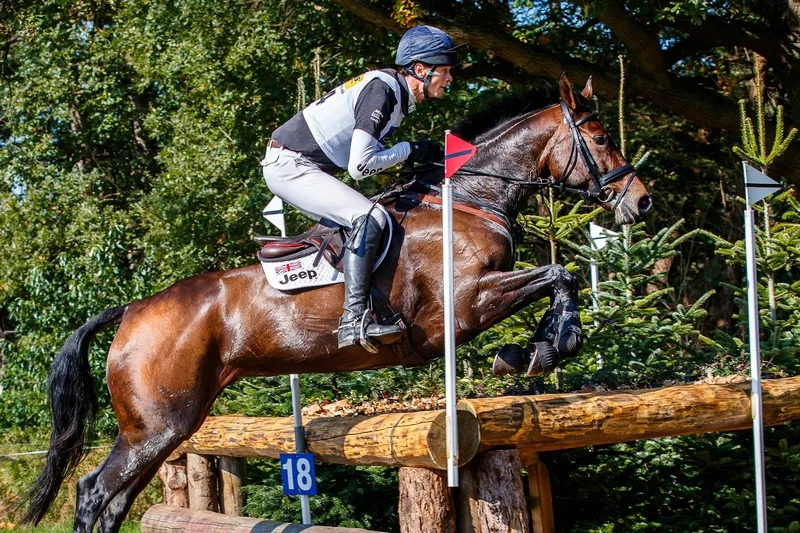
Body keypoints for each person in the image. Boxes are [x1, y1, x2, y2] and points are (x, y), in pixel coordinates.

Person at [261, 25, 460, 352]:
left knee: (369, 215)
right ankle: (353, 319)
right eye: (446, 70)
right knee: (371, 218)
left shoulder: (391, 92)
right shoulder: (384, 90)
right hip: (291, 166)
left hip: (303, 165)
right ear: (421, 69)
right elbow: (361, 166)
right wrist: (408, 149)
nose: (450, 78)